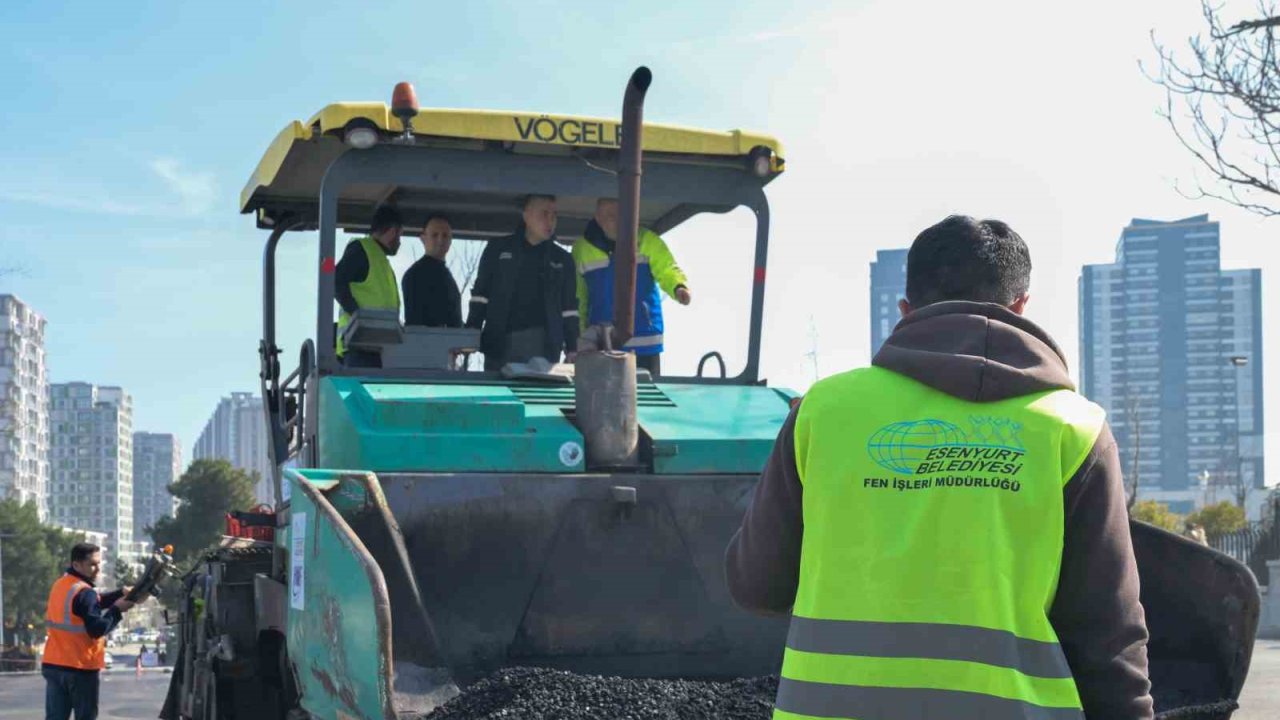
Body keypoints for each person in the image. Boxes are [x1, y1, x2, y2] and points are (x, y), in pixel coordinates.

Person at [726, 216, 1153, 719]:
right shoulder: (1073, 429)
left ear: (905, 310)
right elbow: (1108, 635)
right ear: (1021, 307)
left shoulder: (822, 412)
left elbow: (758, 584)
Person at [573, 198, 690, 376]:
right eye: (609, 215)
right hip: (601, 344)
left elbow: (666, 268)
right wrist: (581, 337)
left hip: (645, 344)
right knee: (602, 398)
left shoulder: (647, 240)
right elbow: (579, 297)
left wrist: (678, 287)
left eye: (620, 215)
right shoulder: (581, 248)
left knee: (647, 399)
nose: (615, 220)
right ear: (597, 218)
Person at [466, 195, 579, 370]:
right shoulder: (497, 249)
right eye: (544, 214)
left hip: (545, 346)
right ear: (526, 215)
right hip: (499, 342)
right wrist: (470, 335)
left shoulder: (563, 259)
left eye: (554, 215)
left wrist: (573, 347)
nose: (550, 221)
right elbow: (480, 296)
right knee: (497, 395)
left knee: (536, 397)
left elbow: (569, 308)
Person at [43, 542, 137, 720]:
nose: (97, 569)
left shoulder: (61, 585)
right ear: (76, 565)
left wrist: (120, 593)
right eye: (92, 564)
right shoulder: (85, 592)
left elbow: (90, 606)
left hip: (54, 665)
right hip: (80, 667)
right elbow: (96, 629)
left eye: (99, 563)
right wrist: (117, 610)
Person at [335, 204, 403, 366]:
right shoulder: (361, 250)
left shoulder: (381, 261)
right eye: (399, 236)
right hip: (357, 345)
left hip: (378, 346)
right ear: (392, 231)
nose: (399, 242)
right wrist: (358, 316)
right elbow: (335, 280)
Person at [402, 213, 462, 328]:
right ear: (423, 239)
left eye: (445, 235)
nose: (440, 240)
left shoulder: (446, 274)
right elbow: (414, 324)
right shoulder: (416, 275)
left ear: (450, 240)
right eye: (435, 235)